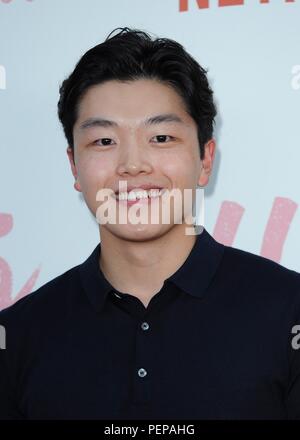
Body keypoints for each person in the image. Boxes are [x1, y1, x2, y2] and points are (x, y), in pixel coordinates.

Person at [0, 27, 300, 420]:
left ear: (205, 159)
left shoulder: (289, 310)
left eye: (160, 137)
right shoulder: (19, 335)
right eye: (104, 141)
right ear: (74, 165)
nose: (132, 164)